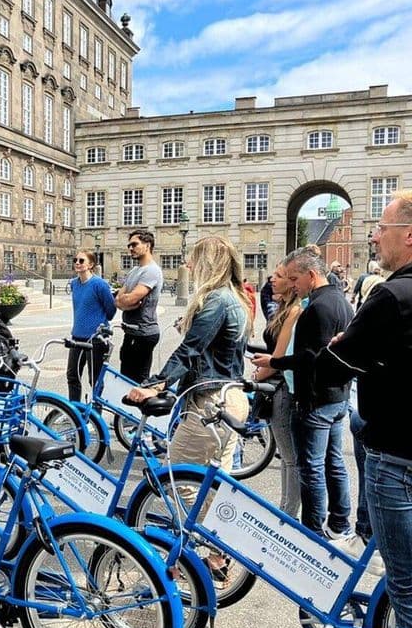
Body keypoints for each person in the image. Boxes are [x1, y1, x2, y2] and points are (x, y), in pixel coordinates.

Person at [312, 190, 412, 628]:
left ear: (408, 235)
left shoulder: (390, 295)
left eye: (382, 228)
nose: (374, 236)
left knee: (406, 589)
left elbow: (334, 364)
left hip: (395, 455)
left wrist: (345, 348)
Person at [126, 236, 252, 579]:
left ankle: (204, 553)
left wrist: (155, 383)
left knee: (177, 475)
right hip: (231, 397)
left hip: (210, 402)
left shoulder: (216, 300)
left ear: (208, 264)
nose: (189, 266)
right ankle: (218, 551)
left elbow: (190, 351)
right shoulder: (237, 299)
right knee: (215, 480)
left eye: (194, 260)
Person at [252, 248, 353, 538]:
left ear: (311, 275)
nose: (294, 285)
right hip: (337, 397)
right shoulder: (342, 302)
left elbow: (310, 358)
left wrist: (275, 362)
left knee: (310, 467)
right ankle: (339, 522)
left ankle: (312, 532)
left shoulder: (316, 308)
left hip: (316, 398)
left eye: (295, 278)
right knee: (333, 462)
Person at [251, 262, 301, 518]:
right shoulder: (283, 308)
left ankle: (288, 513)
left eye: (279, 275)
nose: (272, 278)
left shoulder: (294, 311)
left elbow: (278, 357)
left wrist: (256, 377)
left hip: (280, 385)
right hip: (275, 381)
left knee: (290, 457)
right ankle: (286, 509)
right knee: (287, 455)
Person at [66, 250, 116, 402]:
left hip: (96, 339)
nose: (77, 263)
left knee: (94, 379)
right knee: (72, 375)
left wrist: (98, 323)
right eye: (75, 260)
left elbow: (111, 310)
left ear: (91, 265)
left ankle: (96, 413)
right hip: (77, 336)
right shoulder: (74, 284)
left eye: (81, 261)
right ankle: (74, 411)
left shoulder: (99, 284)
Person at [115, 229, 163, 383]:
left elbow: (128, 299)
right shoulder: (135, 270)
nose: (130, 248)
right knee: (125, 380)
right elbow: (119, 300)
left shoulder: (151, 271)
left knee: (137, 382)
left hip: (144, 333)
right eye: (129, 245)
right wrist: (125, 302)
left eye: (134, 244)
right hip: (131, 332)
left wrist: (125, 301)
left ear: (147, 245)